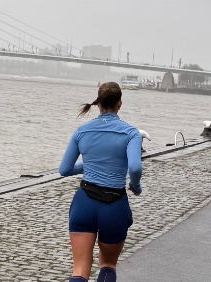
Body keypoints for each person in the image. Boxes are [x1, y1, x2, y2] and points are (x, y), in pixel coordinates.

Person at [58, 82, 142, 282]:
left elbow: (64, 169)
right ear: (120, 103)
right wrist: (136, 186)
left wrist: (89, 166)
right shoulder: (131, 133)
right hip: (114, 204)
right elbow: (135, 167)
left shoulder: (81, 131)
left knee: (79, 269)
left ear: (98, 103)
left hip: (84, 203)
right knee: (108, 264)